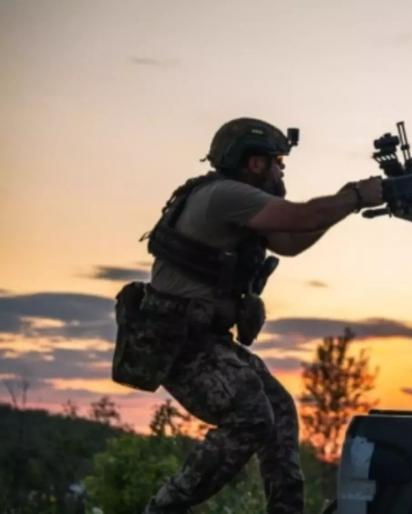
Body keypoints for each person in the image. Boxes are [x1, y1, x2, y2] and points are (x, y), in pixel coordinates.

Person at [131, 118, 382, 513]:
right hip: (178, 339)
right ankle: (164, 508)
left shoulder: (238, 201)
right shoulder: (225, 195)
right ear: (254, 163)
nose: (282, 170)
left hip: (204, 337)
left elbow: (290, 242)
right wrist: (355, 196)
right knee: (250, 417)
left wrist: (344, 203)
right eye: (277, 161)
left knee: (278, 409)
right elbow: (303, 218)